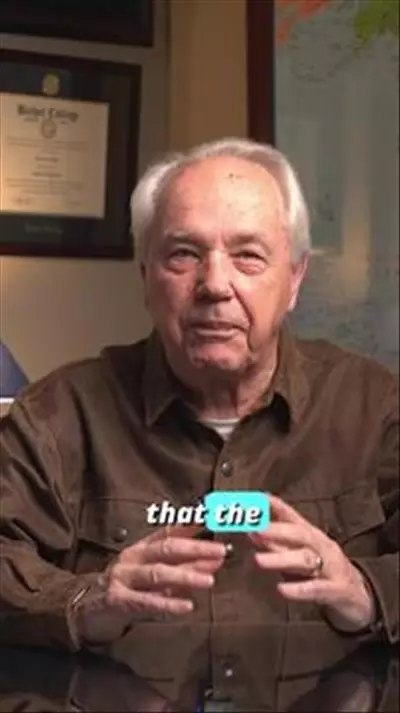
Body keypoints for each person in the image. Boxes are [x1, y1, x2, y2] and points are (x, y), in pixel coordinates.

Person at [0, 139, 398, 692]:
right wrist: (85, 601)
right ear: (146, 275)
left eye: (248, 256)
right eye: (183, 254)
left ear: (295, 279)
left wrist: (366, 592)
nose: (214, 285)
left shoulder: (376, 408)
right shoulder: (57, 417)